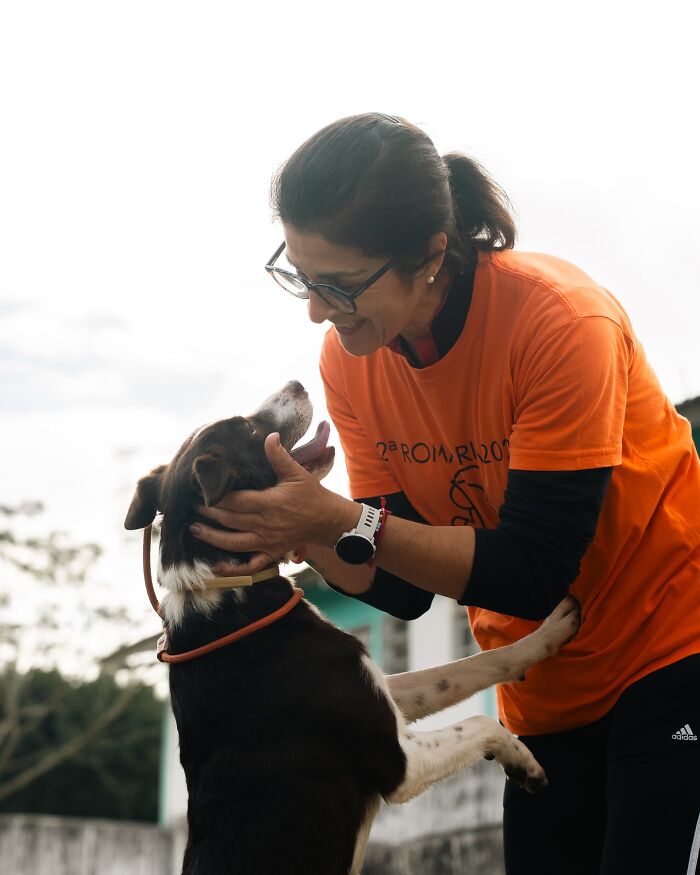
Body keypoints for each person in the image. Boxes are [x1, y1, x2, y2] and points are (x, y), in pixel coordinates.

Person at [189, 113, 700, 874]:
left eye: (339, 284)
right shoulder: (352, 361)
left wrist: (338, 517)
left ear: (430, 256)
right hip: (545, 691)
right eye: (300, 275)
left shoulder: (559, 322)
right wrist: (309, 535)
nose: (317, 310)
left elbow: (532, 567)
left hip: (670, 649)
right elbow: (401, 584)